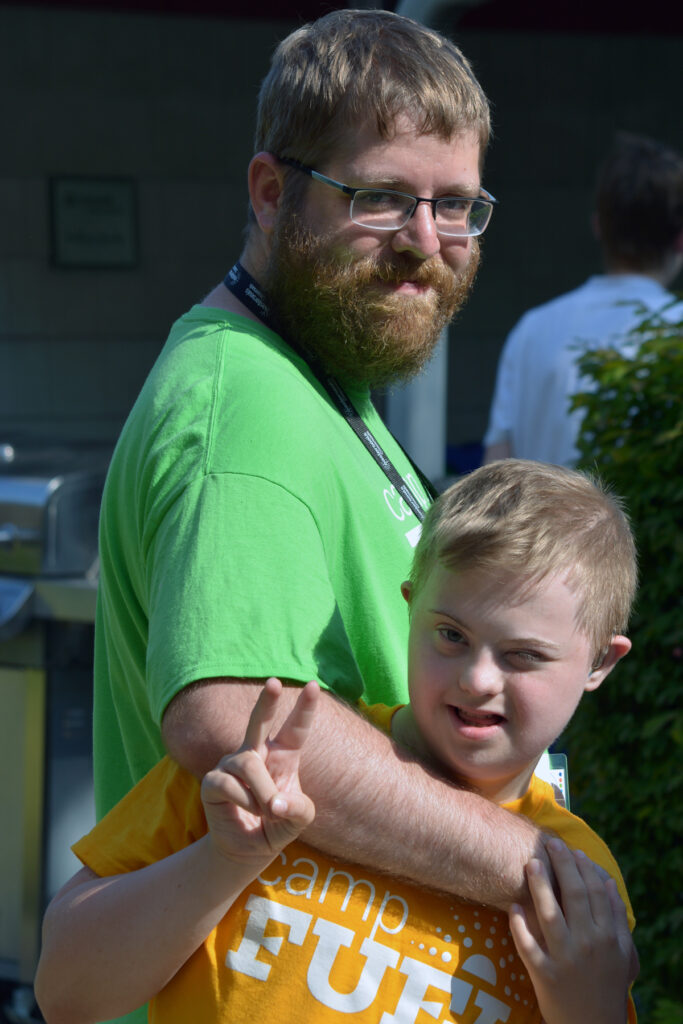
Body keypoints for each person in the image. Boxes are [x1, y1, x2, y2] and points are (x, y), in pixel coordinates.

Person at [93, 10, 559, 989]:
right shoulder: (246, 408)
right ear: (272, 193)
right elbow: (230, 714)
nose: (426, 244)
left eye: (458, 207)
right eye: (382, 199)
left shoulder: (315, 380)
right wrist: (532, 866)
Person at [36, 460, 638, 1024]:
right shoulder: (270, 762)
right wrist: (223, 862)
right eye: (451, 634)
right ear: (411, 608)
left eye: (523, 655)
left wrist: (590, 1007)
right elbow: (64, 990)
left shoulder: (581, 888)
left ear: (600, 664)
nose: (477, 679)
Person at [483, 132, 683, 467]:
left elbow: (496, 466)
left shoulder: (532, 330)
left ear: (598, 227)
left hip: (539, 521)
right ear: (680, 239)